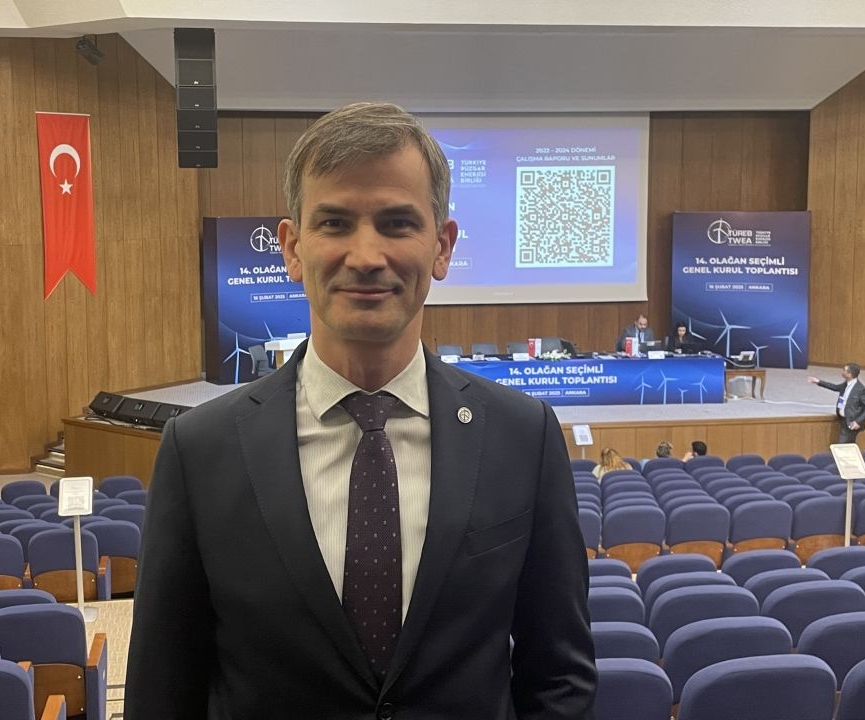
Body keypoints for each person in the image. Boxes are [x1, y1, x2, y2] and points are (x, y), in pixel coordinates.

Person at [125, 102, 596, 720]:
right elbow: (163, 692)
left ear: (442, 247)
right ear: (292, 248)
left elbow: (559, 678)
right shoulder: (199, 451)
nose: (367, 255)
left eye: (398, 223)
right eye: (335, 222)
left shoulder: (522, 438)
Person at [808, 363, 865, 443]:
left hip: (851, 423)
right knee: (849, 445)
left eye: (844, 370)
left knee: (841, 446)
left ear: (849, 374)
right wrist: (818, 382)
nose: (842, 372)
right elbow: (835, 387)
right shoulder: (846, 384)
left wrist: (858, 422)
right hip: (843, 420)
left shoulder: (860, 389)